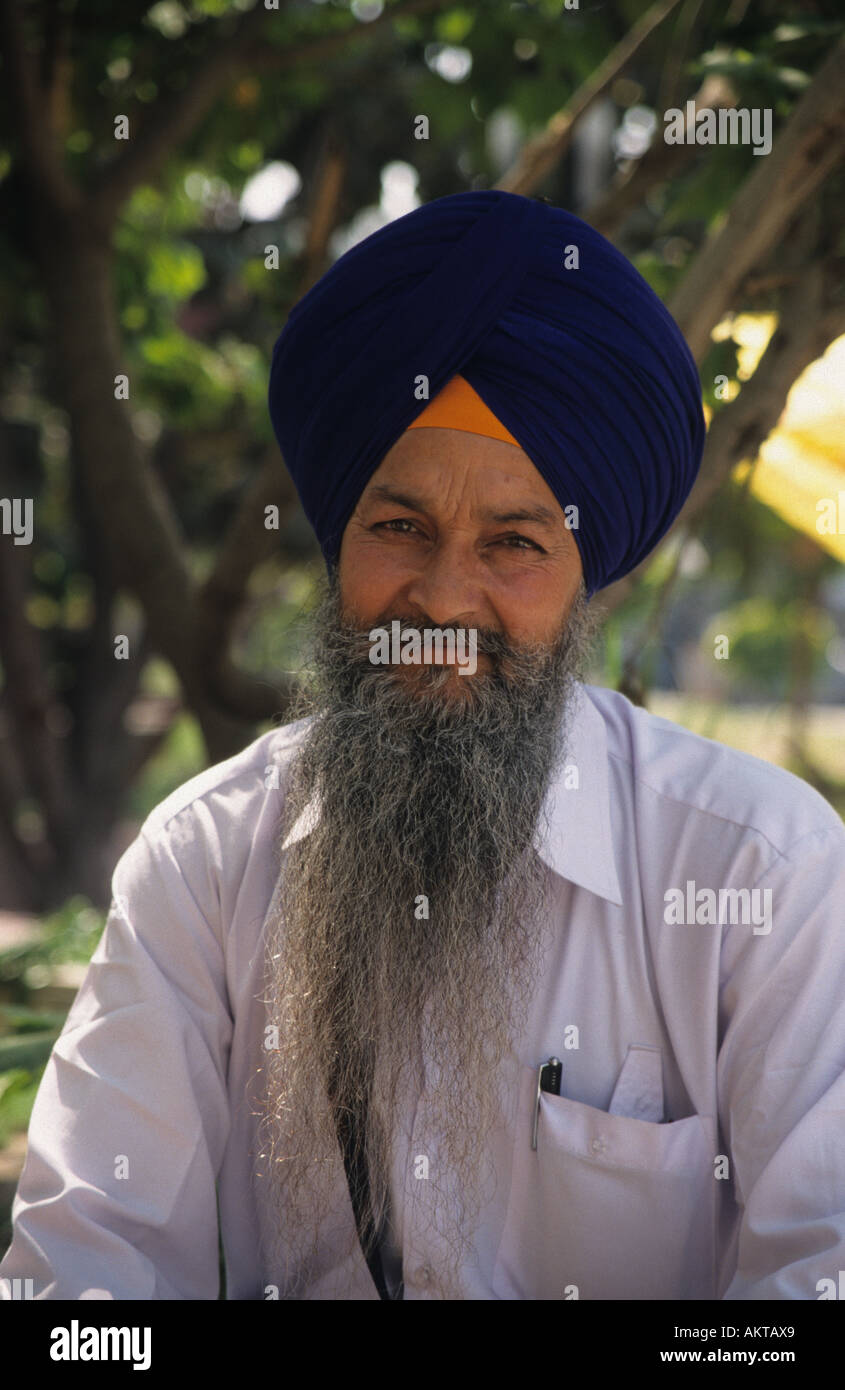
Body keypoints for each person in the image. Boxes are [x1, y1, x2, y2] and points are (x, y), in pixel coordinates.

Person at [1, 190, 843, 1301]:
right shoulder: (205, 864)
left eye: (512, 542)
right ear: (338, 537)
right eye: (399, 528)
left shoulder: (756, 873)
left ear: (584, 576)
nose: (441, 600)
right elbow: (81, 1279)